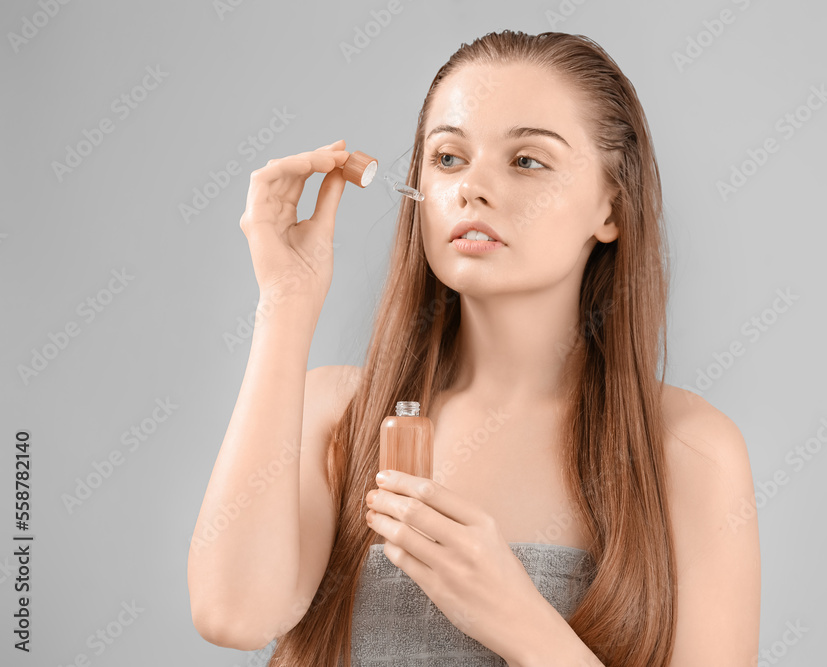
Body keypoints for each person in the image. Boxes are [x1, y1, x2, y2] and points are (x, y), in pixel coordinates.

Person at [187, 30, 760, 666]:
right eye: (449, 159)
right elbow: (232, 615)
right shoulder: (336, 414)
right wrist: (285, 304)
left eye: (526, 161)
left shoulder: (688, 449)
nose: (471, 189)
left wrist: (519, 622)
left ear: (612, 206)